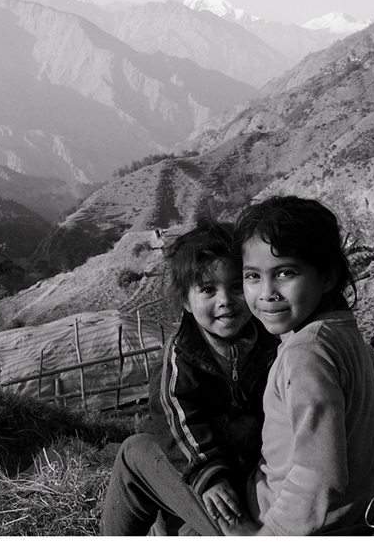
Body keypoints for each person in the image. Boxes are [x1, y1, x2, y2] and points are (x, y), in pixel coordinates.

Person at [219, 196, 374, 536]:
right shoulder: (340, 330)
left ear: (327, 276)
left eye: (285, 273)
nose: (266, 293)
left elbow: (319, 475)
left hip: (292, 523)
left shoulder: (306, 353)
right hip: (354, 512)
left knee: (141, 461)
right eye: (252, 276)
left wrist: (265, 538)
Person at [100, 218, 278, 535]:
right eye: (208, 289)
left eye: (237, 285)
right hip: (205, 478)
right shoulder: (182, 357)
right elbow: (180, 420)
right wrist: (209, 474)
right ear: (186, 301)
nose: (225, 300)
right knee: (135, 451)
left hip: (257, 481)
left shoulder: (271, 344)